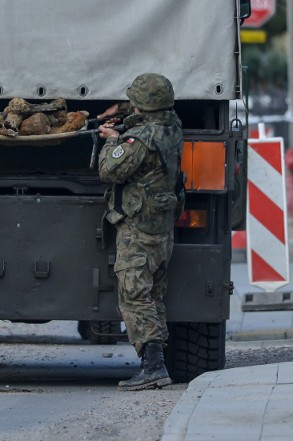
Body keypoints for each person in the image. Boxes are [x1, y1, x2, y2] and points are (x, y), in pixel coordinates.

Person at [97, 73, 184, 391]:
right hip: (161, 227)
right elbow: (155, 112)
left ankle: (152, 366)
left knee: (134, 295)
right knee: (154, 295)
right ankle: (157, 360)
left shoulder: (138, 142)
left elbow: (110, 171)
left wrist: (111, 141)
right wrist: (120, 111)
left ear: (142, 105)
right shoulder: (172, 127)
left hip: (137, 227)